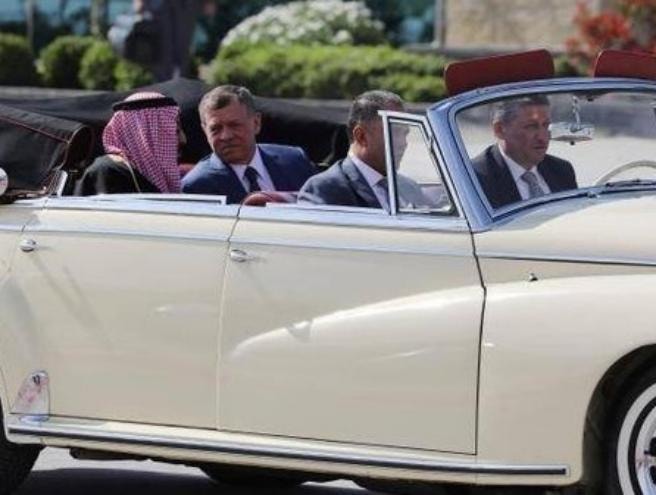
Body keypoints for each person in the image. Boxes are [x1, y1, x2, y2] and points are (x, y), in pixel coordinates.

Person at [182, 85, 317, 203]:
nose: (226, 136)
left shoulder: (295, 161)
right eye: (215, 129)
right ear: (205, 131)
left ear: (256, 123)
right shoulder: (197, 186)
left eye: (234, 125)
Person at [297, 90, 428, 210]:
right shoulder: (325, 189)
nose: (403, 143)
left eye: (405, 134)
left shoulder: (409, 188)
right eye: (394, 132)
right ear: (361, 136)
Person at [471, 94, 577, 209]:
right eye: (531, 126)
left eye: (546, 125)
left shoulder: (561, 171)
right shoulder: (475, 179)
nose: (542, 137)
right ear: (500, 130)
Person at [75, 92, 186, 195]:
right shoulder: (107, 172)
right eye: (175, 131)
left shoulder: (149, 175)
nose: (183, 139)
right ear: (144, 134)